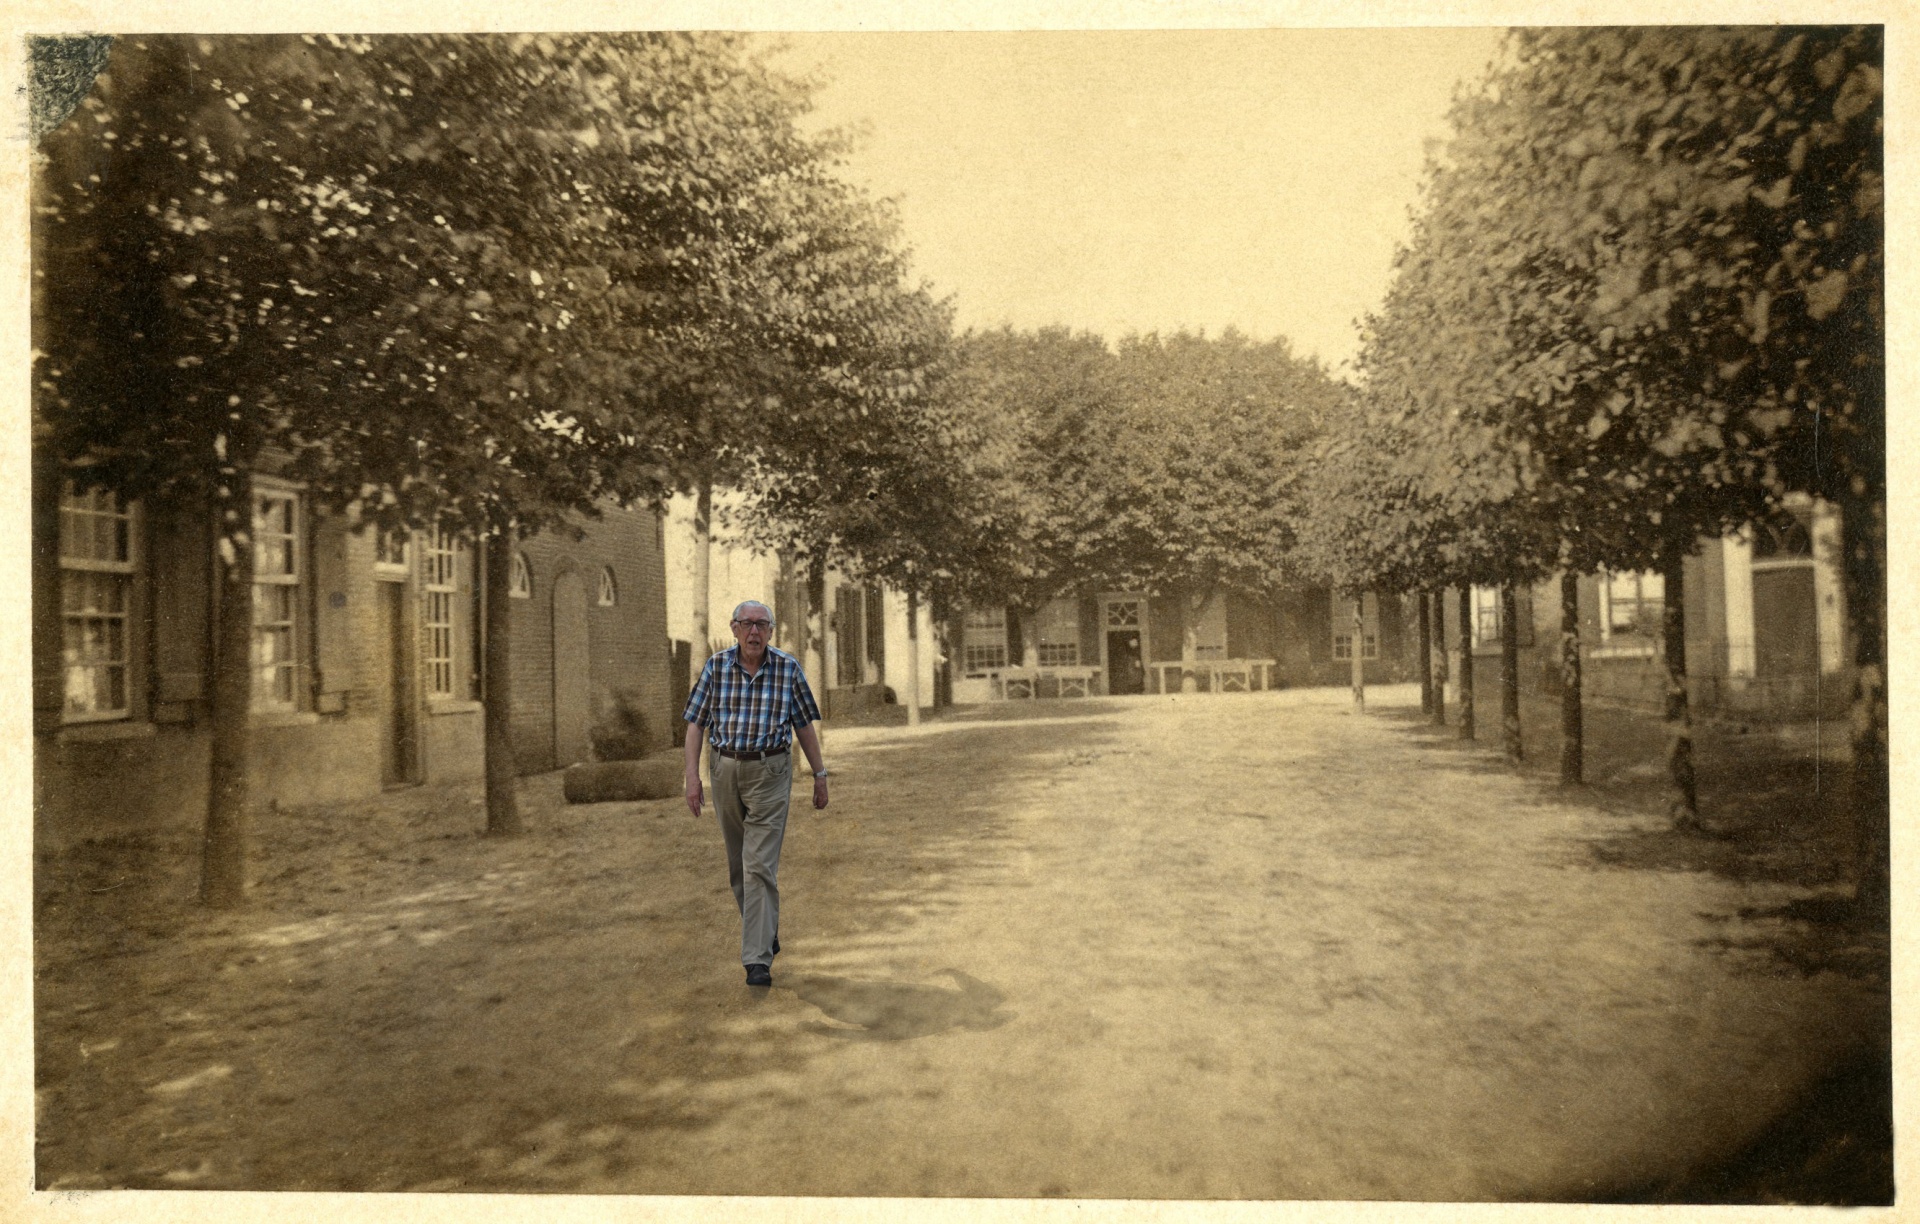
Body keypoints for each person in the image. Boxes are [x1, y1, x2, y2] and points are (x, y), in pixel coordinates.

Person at [683, 600, 828, 987]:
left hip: (770, 771)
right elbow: (695, 725)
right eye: (747, 624)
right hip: (724, 770)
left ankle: (757, 960)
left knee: (758, 864)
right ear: (733, 629)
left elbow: (804, 726)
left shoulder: (788, 669)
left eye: (762, 625)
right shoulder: (715, 668)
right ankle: (765, 930)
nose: (754, 632)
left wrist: (820, 774)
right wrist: (692, 778)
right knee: (738, 866)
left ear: (771, 632)